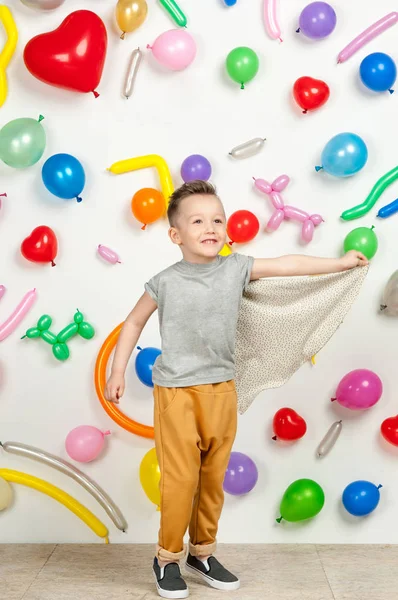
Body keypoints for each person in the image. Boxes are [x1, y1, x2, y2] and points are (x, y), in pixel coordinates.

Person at [104, 180, 368, 599]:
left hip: (222, 390)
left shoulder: (236, 268)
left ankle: (201, 553)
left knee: (211, 479)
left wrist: (338, 263)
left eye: (217, 219)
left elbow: (285, 264)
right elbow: (134, 322)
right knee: (180, 480)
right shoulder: (164, 281)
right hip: (176, 393)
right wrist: (118, 371)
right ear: (176, 235)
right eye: (197, 221)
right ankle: (167, 558)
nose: (210, 227)